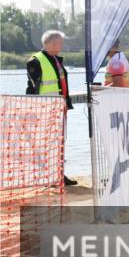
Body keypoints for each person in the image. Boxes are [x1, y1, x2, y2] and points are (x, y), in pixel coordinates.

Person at [25, 30, 76, 186]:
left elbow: (61, 84)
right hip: (44, 110)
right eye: (60, 42)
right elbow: (32, 88)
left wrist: (66, 104)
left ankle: (59, 174)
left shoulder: (56, 60)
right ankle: (46, 176)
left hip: (59, 109)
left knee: (59, 142)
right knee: (45, 144)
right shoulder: (35, 61)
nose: (62, 45)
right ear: (52, 43)